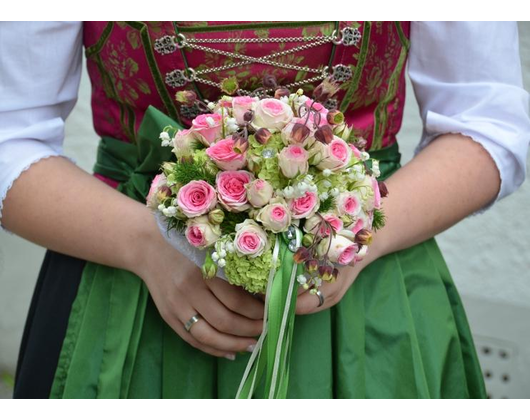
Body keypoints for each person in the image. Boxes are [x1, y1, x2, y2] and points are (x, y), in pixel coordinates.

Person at [1, 21, 529, 399]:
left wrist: (356, 235)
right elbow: (10, 135)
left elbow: (487, 121)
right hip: (128, 302)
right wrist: (148, 245)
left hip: (370, 309)